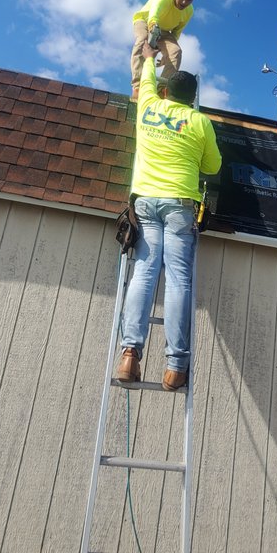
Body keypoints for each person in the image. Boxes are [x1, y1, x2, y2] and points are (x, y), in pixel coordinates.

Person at [117, 40, 222, 391]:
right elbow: (213, 166)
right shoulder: (199, 121)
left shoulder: (148, 105)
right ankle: (175, 368)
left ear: (165, 91)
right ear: (192, 98)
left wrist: (149, 58)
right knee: (178, 282)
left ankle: (129, 355)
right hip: (179, 204)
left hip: (145, 201)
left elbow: (146, 79)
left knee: (144, 274)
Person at [130, 0, 198, 98]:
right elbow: (153, 15)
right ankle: (138, 87)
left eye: (189, 0)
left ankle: (162, 91)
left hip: (165, 31)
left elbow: (177, 32)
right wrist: (152, 28)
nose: (184, 2)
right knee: (142, 41)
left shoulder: (189, 11)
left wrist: (167, 53)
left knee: (176, 52)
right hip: (145, 21)